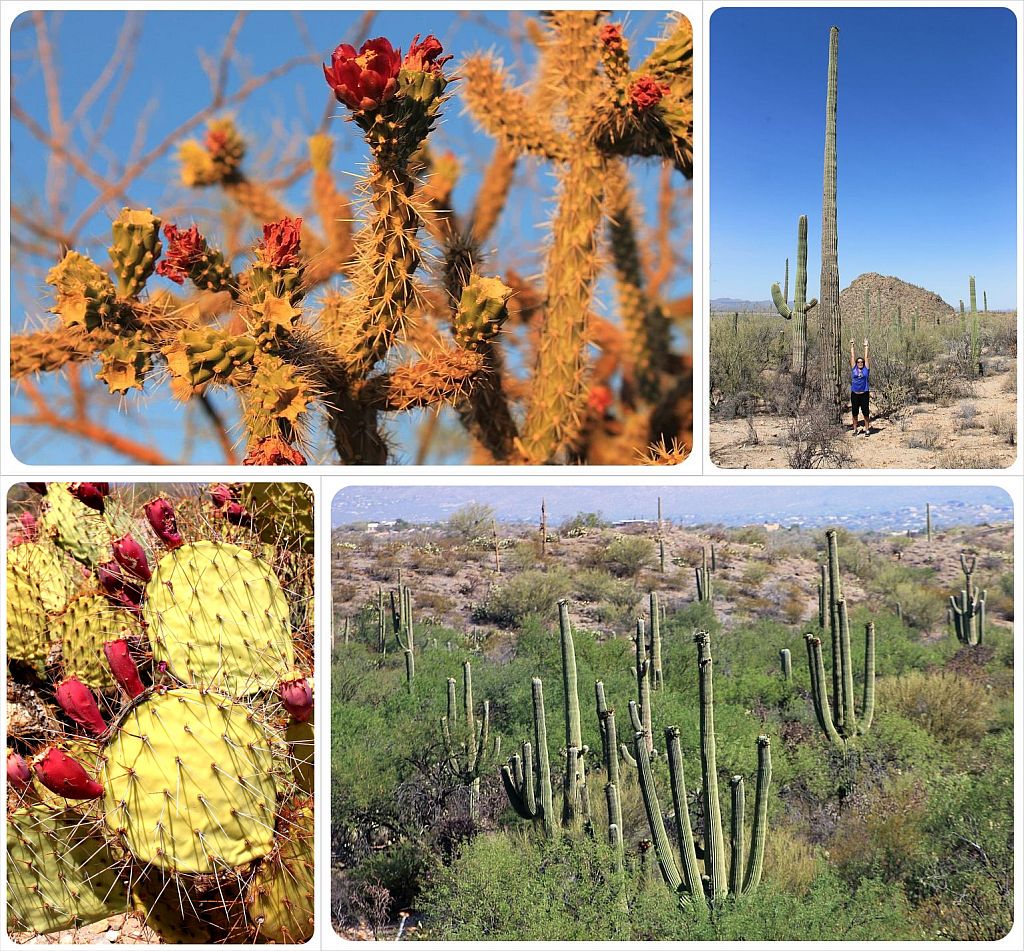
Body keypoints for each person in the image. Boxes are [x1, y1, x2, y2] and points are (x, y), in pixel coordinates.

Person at [850, 337, 870, 435]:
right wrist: (852, 345)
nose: (860, 363)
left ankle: (867, 429)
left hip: (864, 394)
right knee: (854, 413)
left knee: (866, 413)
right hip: (855, 394)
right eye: (858, 362)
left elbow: (866, 357)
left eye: (861, 362)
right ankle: (855, 429)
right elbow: (852, 357)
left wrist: (866, 346)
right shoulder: (854, 369)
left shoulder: (866, 369)